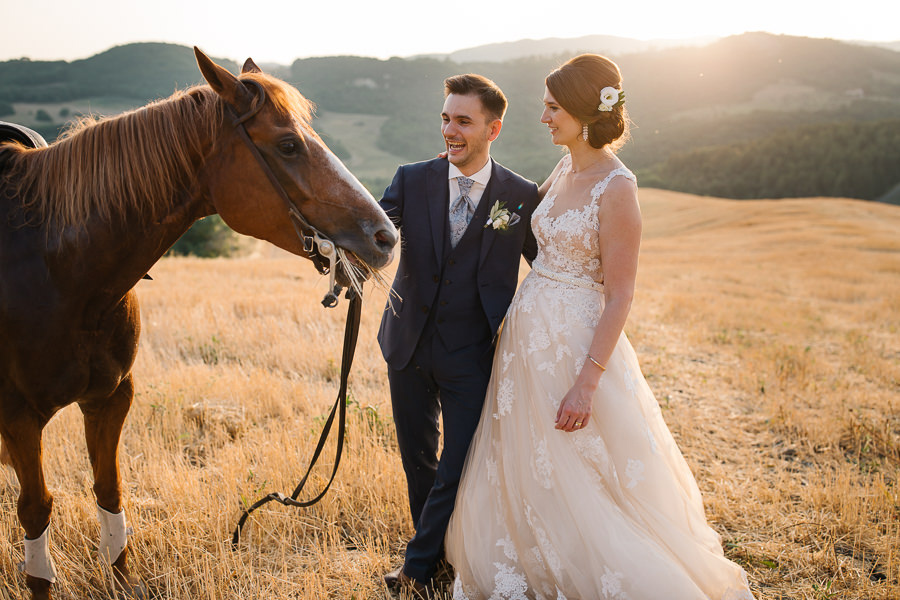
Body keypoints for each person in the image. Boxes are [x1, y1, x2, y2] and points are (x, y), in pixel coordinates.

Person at [445, 54, 756, 600]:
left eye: (552, 107)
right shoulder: (566, 166)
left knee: (582, 470)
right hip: (526, 338)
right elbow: (527, 231)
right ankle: (533, 558)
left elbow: (621, 295)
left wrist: (587, 382)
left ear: (586, 112)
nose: (543, 117)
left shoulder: (617, 187)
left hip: (574, 343)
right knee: (529, 462)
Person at [377, 73, 541, 596]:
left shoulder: (518, 196)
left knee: (458, 463)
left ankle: (418, 567)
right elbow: (374, 236)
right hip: (406, 343)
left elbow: (549, 265)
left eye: (463, 121)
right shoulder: (411, 178)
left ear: (493, 129)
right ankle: (439, 556)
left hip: (472, 353)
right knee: (418, 459)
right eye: (445, 118)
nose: (450, 130)